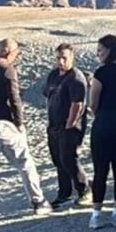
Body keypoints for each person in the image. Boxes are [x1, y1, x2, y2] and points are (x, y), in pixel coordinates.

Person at [0, 39, 47, 225]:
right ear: (10, 53)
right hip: (1, 123)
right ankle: (38, 202)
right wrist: (20, 125)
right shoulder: (7, 70)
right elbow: (15, 100)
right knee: (25, 163)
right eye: (15, 54)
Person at [87, 35, 116, 229]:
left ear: (109, 50)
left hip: (105, 121)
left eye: (100, 50)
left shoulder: (101, 72)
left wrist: (100, 113)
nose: (98, 54)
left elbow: (92, 102)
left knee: (101, 169)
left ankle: (96, 213)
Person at [42, 44, 90, 210]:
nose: (61, 62)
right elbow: (47, 95)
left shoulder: (76, 78)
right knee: (58, 160)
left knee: (68, 158)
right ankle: (64, 193)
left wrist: (69, 126)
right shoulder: (53, 75)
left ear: (72, 58)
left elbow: (78, 105)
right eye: (58, 58)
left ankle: (84, 189)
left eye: (64, 58)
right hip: (53, 125)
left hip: (69, 126)